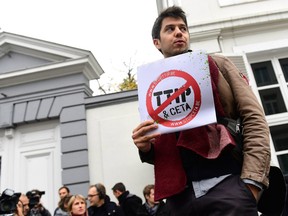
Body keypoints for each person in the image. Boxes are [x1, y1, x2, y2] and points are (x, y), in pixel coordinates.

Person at [132, 5, 271, 216]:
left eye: (183, 28)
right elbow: (166, 144)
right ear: (156, 43)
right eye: (170, 29)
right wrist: (145, 148)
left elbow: (254, 118)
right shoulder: (151, 82)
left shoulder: (218, 64)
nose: (179, 32)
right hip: (180, 198)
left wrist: (251, 183)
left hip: (228, 186)